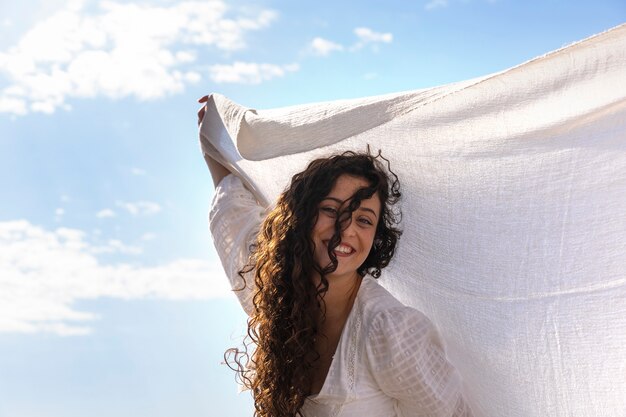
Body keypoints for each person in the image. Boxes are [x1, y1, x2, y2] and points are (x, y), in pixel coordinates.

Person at [199, 97, 474, 417]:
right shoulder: (273, 289)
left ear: (376, 237)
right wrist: (212, 135)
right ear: (300, 218)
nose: (345, 230)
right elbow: (230, 209)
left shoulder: (392, 331)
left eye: (364, 220)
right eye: (331, 210)